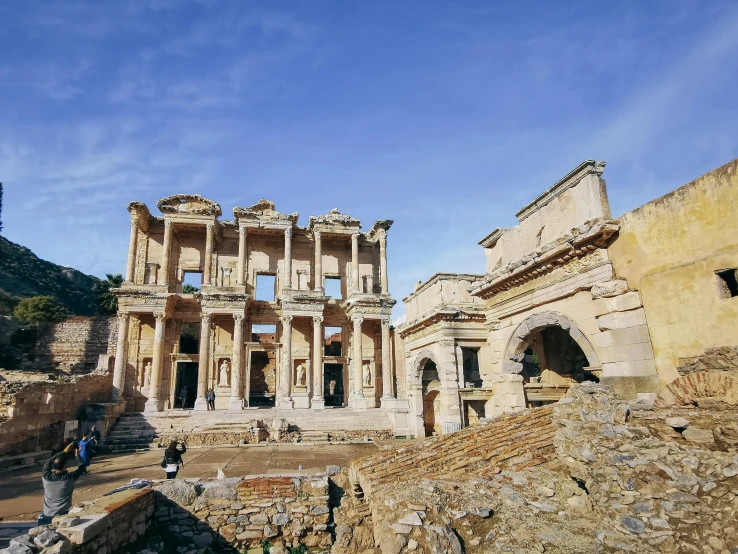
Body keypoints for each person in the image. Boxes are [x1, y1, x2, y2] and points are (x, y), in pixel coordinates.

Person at [40, 441, 86, 524]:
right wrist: (77, 455)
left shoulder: (46, 476)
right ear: (66, 466)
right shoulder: (69, 477)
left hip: (47, 513)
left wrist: (64, 452)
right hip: (62, 514)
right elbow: (82, 467)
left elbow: (48, 462)